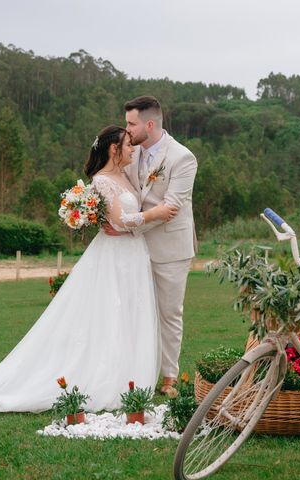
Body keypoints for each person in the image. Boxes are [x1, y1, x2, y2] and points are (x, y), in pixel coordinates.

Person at [0, 126, 177, 418]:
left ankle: (129, 376)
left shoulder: (124, 176)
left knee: (129, 314)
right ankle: (106, 377)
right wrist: (155, 213)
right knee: (109, 312)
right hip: (114, 257)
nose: (133, 149)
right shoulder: (101, 181)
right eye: (128, 145)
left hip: (133, 256)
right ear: (114, 149)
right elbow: (121, 222)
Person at [104, 96, 197, 394]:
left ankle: (169, 377)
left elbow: (171, 208)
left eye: (131, 124)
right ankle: (134, 373)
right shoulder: (130, 154)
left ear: (150, 124)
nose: (127, 130)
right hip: (132, 249)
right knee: (134, 311)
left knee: (169, 313)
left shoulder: (182, 158)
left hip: (170, 248)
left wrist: (129, 225)